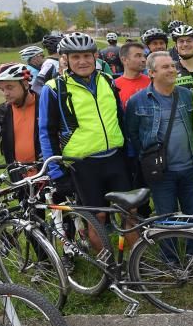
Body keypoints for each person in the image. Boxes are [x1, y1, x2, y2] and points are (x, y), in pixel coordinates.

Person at [38, 32, 132, 213]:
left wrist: (129, 153)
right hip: (82, 165)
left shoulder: (107, 80)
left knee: (130, 212)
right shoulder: (54, 89)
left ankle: (135, 243)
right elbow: (46, 133)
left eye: (87, 55)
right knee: (98, 218)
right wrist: (57, 173)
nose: (83, 61)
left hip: (115, 158)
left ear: (95, 56)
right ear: (65, 59)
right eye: (76, 57)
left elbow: (119, 118)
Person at [124, 51, 193, 218]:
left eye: (173, 66)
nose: (172, 70)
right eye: (165, 67)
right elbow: (132, 134)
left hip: (189, 169)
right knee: (166, 218)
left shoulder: (187, 96)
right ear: (151, 73)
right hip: (160, 172)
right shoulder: (137, 101)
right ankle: (169, 245)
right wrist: (149, 155)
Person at [113, 42, 150, 107]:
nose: (144, 60)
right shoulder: (114, 86)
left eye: (144, 56)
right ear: (124, 60)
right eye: (138, 56)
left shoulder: (152, 82)